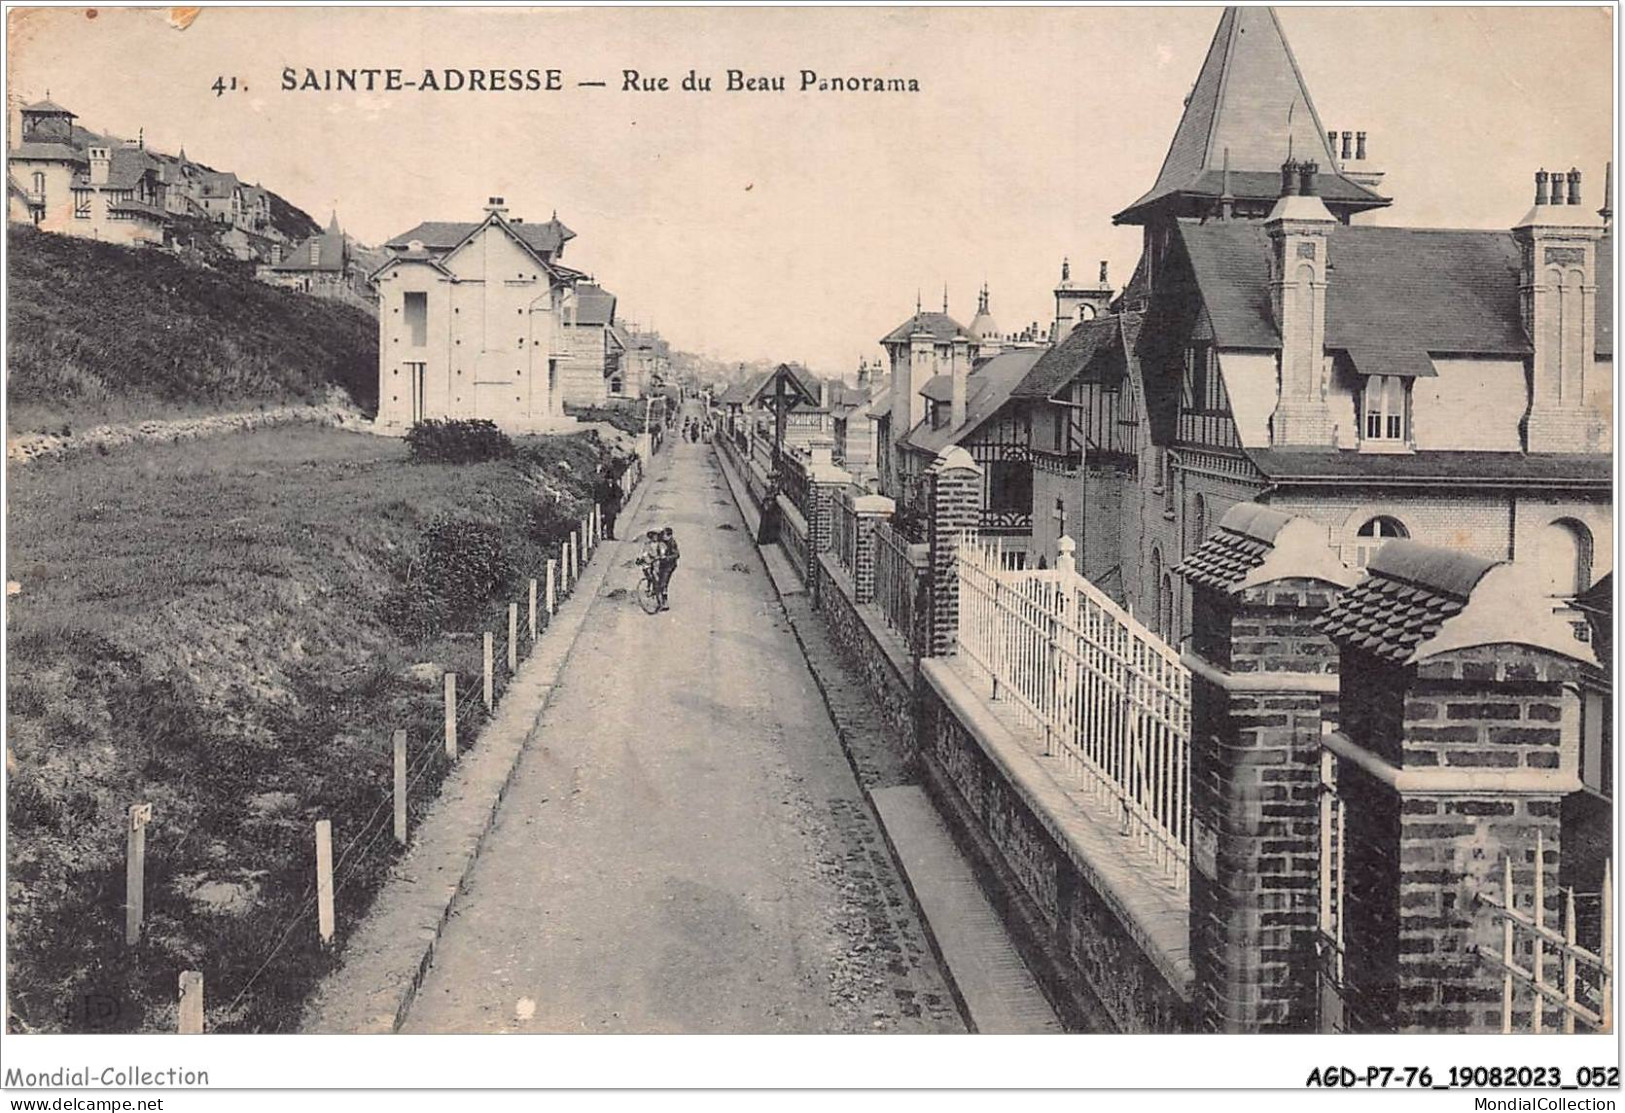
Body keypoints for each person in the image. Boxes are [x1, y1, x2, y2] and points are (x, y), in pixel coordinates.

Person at [656, 526, 680, 611]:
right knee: (660, 581)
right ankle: (660, 599)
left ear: (669, 535)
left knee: (663, 583)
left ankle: (665, 603)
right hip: (663, 564)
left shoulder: (672, 543)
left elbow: (676, 555)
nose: (663, 536)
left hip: (669, 566)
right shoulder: (663, 540)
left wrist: (666, 558)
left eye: (664, 535)